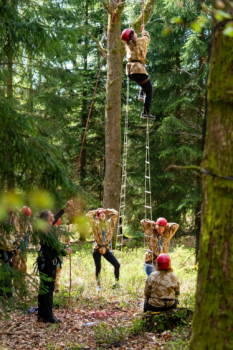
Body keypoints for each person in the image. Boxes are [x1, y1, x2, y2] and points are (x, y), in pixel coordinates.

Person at [37, 200, 73, 323]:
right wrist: (65, 252)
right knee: (48, 289)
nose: (53, 215)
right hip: (48, 263)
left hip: (42, 262)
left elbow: (56, 217)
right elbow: (55, 247)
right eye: (51, 214)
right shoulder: (49, 230)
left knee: (43, 288)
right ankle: (48, 316)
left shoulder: (45, 227)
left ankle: (41, 315)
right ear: (48, 218)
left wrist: (65, 207)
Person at [121, 25, 155, 120]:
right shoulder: (139, 41)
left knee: (146, 79)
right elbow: (147, 39)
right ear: (132, 35)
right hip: (138, 70)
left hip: (130, 72)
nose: (136, 33)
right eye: (134, 33)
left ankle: (141, 94)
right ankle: (145, 113)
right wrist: (143, 31)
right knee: (149, 91)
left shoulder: (128, 45)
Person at [86, 208, 120, 291]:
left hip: (106, 248)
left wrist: (105, 210)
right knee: (98, 267)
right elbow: (88, 215)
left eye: (104, 213)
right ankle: (98, 285)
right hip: (97, 249)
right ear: (97, 216)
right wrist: (97, 210)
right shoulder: (95, 224)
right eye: (101, 213)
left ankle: (117, 284)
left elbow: (115, 213)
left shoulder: (110, 223)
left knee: (117, 264)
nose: (103, 214)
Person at [13, 206, 32, 283]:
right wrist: (19, 236)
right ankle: (16, 284)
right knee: (16, 265)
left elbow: (30, 234)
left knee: (24, 265)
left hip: (24, 247)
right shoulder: (16, 221)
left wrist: (28, 237)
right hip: (17, 247)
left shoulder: (28, 224)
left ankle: (22, 283)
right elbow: (12, 234)